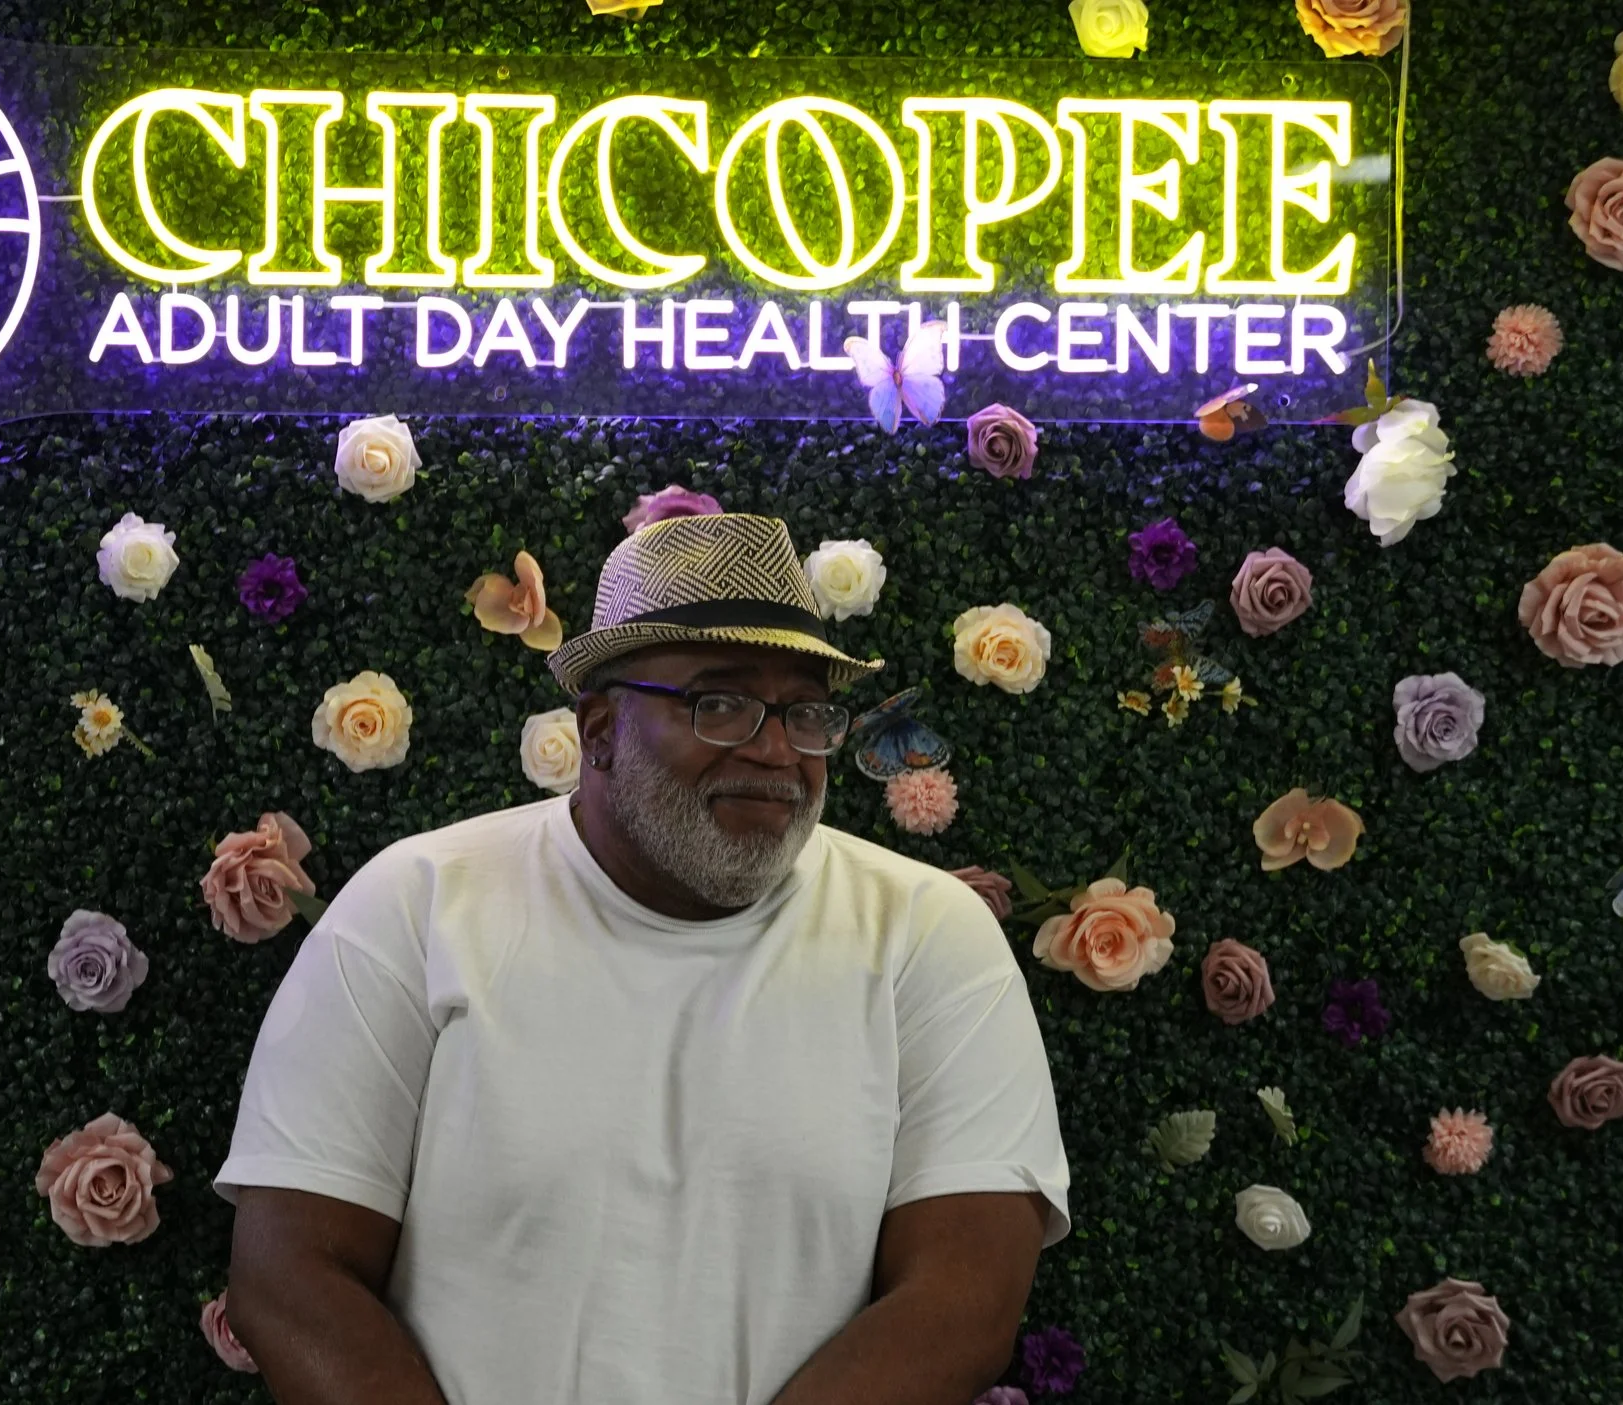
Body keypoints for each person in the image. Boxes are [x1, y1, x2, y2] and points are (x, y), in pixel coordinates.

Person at [214, 512, 1070, 1405]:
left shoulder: (927, 932)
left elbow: (963, 1302)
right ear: (599, 729)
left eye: (807, 710)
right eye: (722, 702)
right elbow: (292, 1276)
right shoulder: (419, 904)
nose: (778, 750)